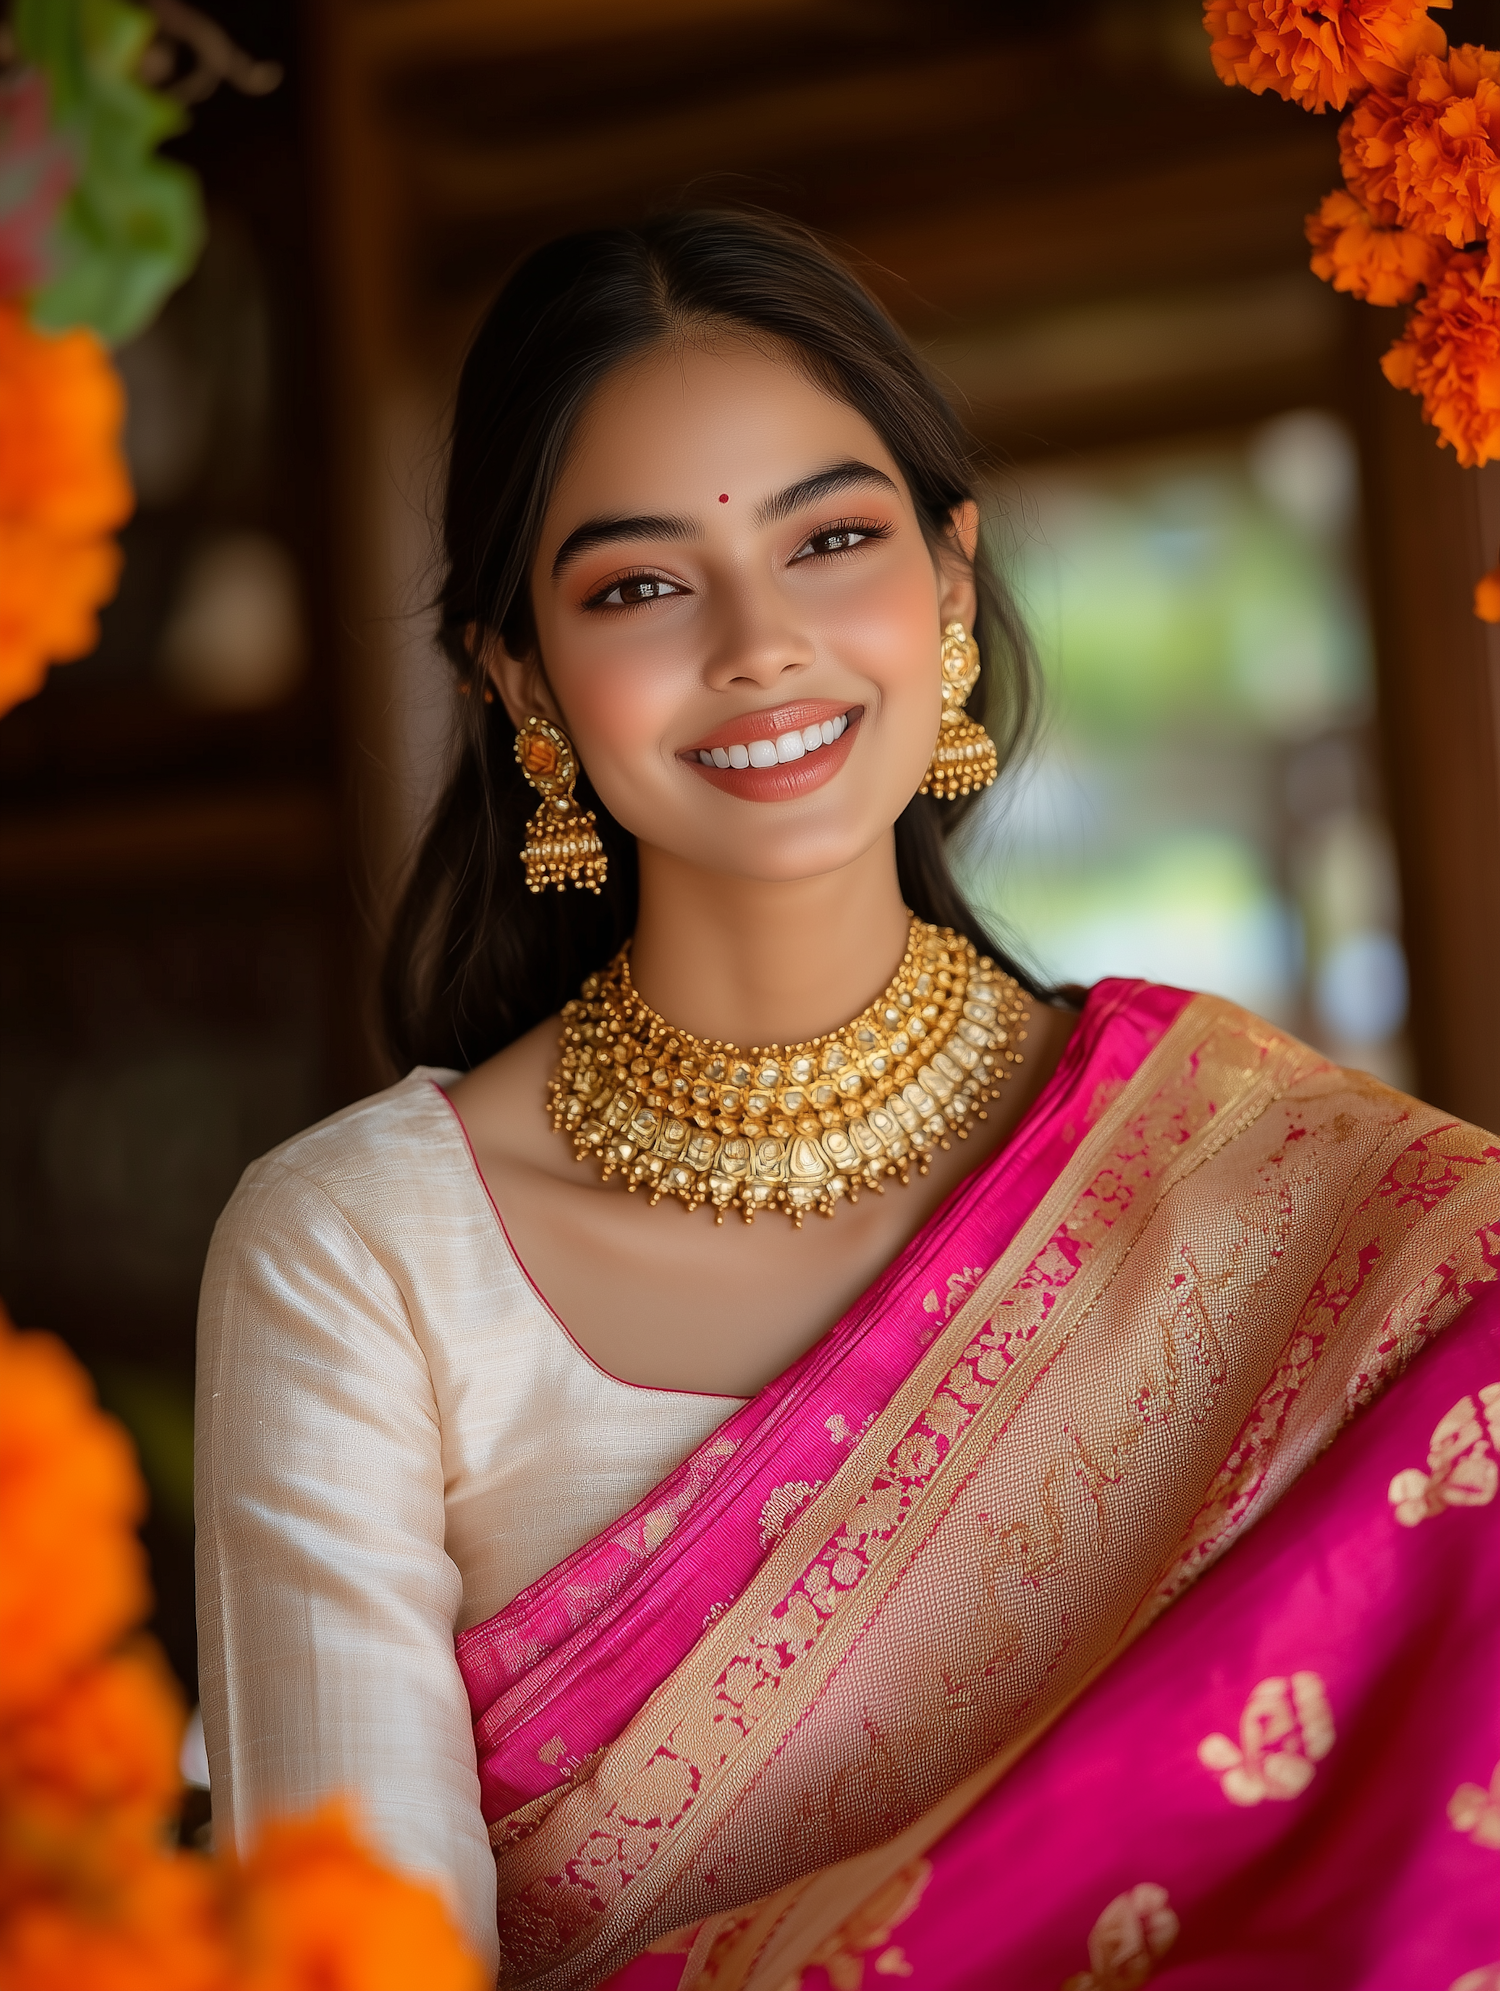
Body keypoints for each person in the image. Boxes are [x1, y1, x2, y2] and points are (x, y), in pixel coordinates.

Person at [195, 211, 1500, 1991]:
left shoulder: (1256, 1175)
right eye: (640, 583)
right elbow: (345, 1965)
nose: (760, 643)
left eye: (833, 541)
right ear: (519, 679)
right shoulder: (362, 1255)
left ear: (950, 585)